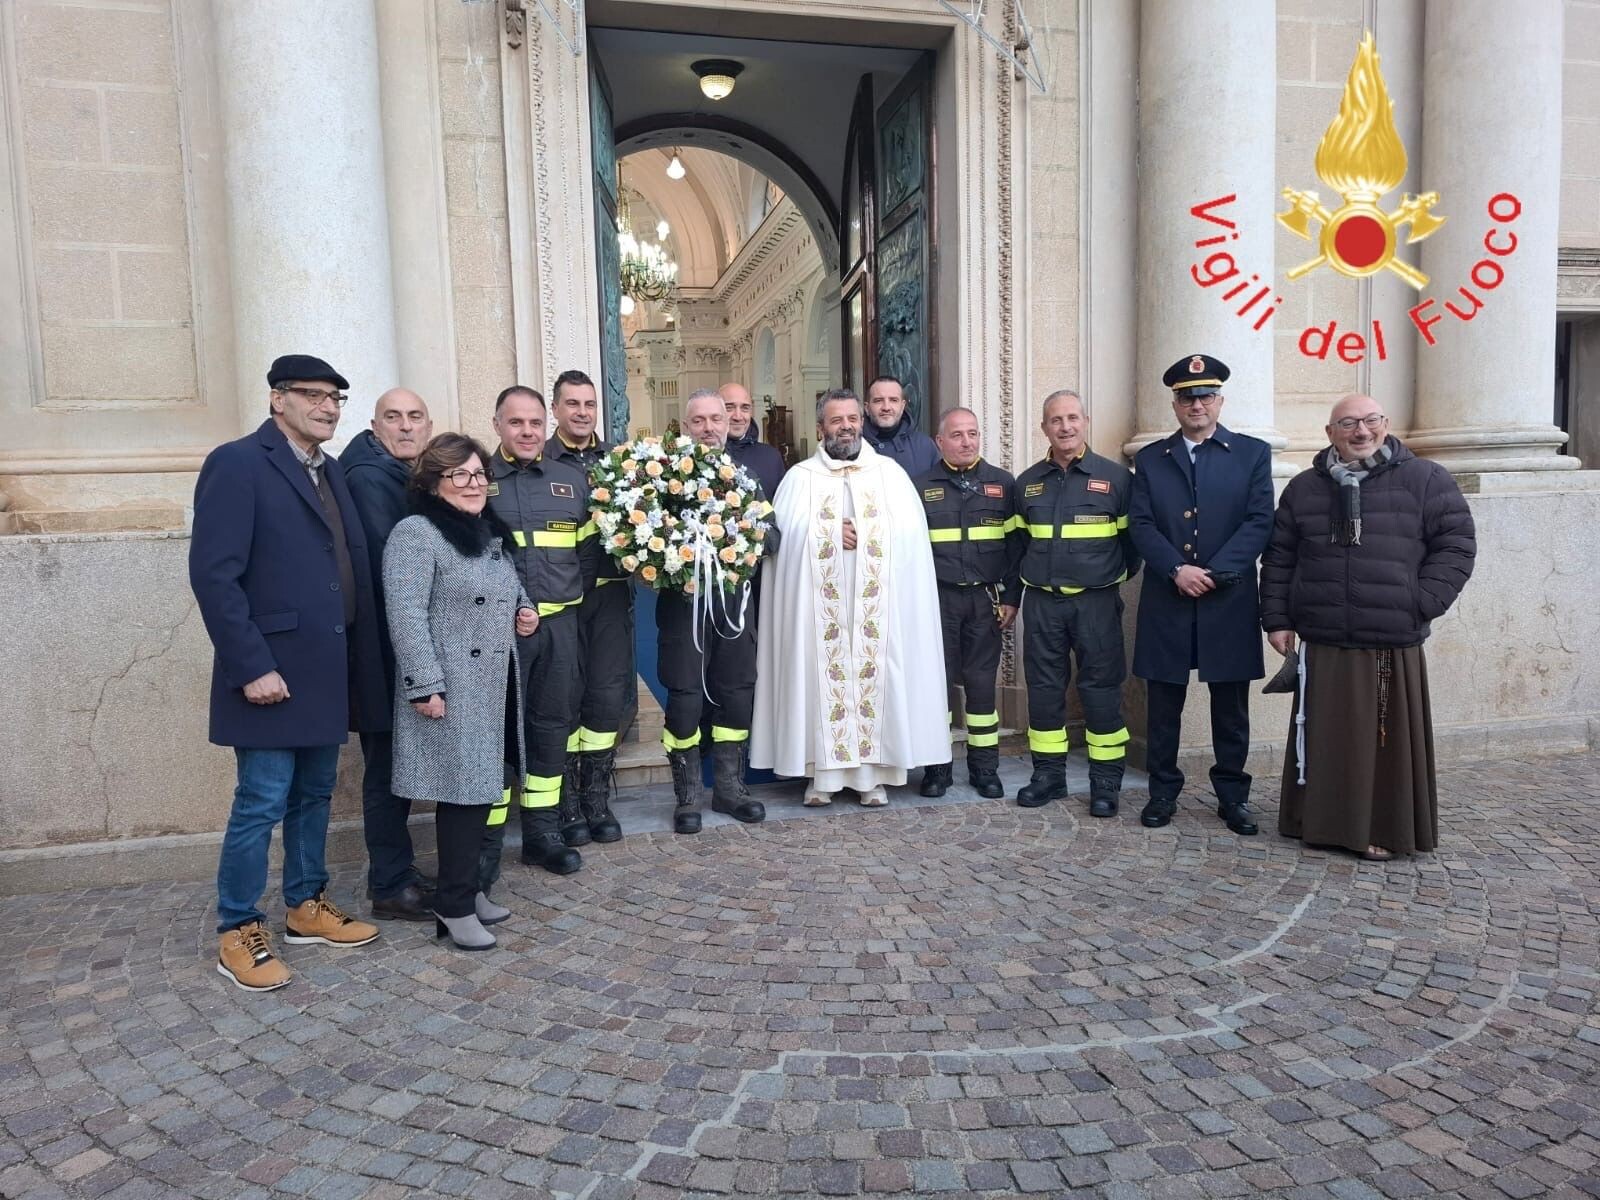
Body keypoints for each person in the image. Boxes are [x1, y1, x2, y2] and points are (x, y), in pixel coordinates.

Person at [190, 354, 383, 992]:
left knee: (313, 796)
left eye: (336, 398)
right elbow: (214, 575)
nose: (328, 407)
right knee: (261, 802)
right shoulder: (239, 462)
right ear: (279, 399)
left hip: (327, 669)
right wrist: (251, 666)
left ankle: (305, 905)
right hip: (269, 673)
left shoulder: (330, 471)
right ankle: (238, 926)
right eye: (314, 395)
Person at [1260, 394, 1475, 861]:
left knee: (1383, 740)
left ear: (1386, 423)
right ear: (1330, 433)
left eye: (1371, 421)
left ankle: (1381, 828)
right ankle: (1315, 822)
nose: (1362, 432)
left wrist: (1423, 601)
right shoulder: (1304, 488)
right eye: (1349, 424)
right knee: (1322, 735)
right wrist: (1277, 619)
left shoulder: (1425, 478)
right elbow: (1280, 558)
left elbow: (1456, 545)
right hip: (1324, 634)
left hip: (1389, 635)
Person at [751, 387, 948, 807]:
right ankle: (819, 775)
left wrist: (870, 531)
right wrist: (826, 532)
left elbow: (911, 538)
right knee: (817, 683)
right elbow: (781, 543)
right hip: (819, 616)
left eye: (853, 419)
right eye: (836, 420)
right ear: (820, 427)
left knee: (877, 681)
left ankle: (871, 778)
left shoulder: (890, 475)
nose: (846, 427)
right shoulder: (799, 478)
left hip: (876, 613)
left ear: (862, 422)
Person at [383, 434, 538, 950]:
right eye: (461, 475)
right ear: (432, 483)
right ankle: (451, 906)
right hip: (449, 686)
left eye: (479, 474)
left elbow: (510, 591)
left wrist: (525, 612)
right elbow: (405, 615)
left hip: (492, 683)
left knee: (480, 792)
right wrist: (424, 684)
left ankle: (468, 893)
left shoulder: (486, 531)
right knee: (462, 798)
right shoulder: (417, 533)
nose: (474, 484)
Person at [1129, 355, 1274, 836]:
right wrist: (1176, 568)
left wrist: (1213, 572)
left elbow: (1259, 521)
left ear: (1220, 401)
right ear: (1174, 403)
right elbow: (1141, 524)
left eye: (1205, 395)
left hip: (1227, 599)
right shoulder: (1151, 459)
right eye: (1187, 396)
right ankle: (1162, 793)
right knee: (1164, 704)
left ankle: (1233, 796)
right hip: (1169, 596)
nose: (1197, 404)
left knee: (1230, 708)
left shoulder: (1252, 453)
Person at [1012, 390, 1141, 816]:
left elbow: (1132, 544)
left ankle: (1106, 783)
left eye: (1072, 418)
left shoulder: (1116, 479)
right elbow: (1018, 546)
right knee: (1045, 692)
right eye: (1055, 420)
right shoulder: (1027, 483)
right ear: (1044, 427)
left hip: (1096, 604)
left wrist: (1105, 579)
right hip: (1043, 604)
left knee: (1102, 692)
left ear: (1085, 421)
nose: (1065, 426)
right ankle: (1048, 776)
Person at [338, 387, 437, 919]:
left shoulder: (395, 474)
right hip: (384, 654)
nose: (404, 427)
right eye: (393, 418)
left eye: (414, 418)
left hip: (394, 651)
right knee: (386, 770)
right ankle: (390, 885)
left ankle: (396, 872)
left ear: (427, 425)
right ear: (375, 425)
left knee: (394, 767)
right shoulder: (371, 478)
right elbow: (397, 576)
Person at [657, 390, 773, 833]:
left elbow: (772, 533)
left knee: (738, 691)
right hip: (682, 607)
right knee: (685, 695)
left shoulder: (748, 477)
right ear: (686, 426)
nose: (709, 428)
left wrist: (744, 541)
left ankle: (729, 788)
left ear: (728, 423)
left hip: (734, 607)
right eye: (699, 420)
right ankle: (687, 795)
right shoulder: (663, 478)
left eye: (716, 419)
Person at [482, 386, 586, 881]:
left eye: (535, 423)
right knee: (499, 731)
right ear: (498, 424)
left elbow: (589, 556)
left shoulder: (570, 480)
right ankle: (485, 841)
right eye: (516, 422)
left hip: (559, 627)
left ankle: (541, 833)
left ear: (546, 426)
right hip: (498, 634)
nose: (527, 432)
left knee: (551, 727)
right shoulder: (476, 479)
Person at [914, 407, 1021, 799]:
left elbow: (1016, 547)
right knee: (936, 686)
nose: (966, 441)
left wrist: (1011, 597)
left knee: (981, 687)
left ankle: (984, 767)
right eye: (956, 435)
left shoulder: (1003, 484)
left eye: (972, 433)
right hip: (937, 602)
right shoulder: (920, 485)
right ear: (940, 442)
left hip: (985, 600)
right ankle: (938, 768)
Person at [549, 368, 627, 848]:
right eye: (572, 404)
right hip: (560, 597)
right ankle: (566, 803)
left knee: (606, 694)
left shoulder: (617, 461)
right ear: (556, 408)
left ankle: (597, 799)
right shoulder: (541, 460)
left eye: (589, 405)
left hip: (611, 594)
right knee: (562, 696)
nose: (582, 413)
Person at [862, 374, 940, 477]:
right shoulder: (852, 446)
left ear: (902, 406)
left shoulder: (925, 446)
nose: (886, 407)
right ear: (867, 408)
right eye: (878, 401)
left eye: (893, 400)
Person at [721, 381, 787, 499]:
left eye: (745, 408)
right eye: (729, 408)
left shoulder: (771, 457)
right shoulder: (700, 456)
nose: (738, 416)